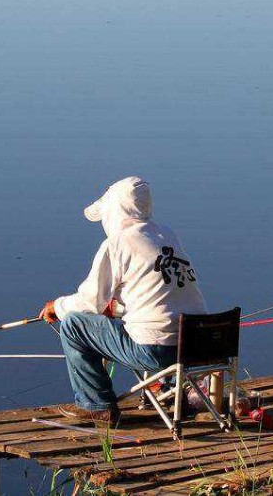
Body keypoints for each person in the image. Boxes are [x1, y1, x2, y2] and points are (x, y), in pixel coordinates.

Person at [39, 176, 207, 423]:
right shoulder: (166, 235)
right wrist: (116, 306)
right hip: (198, 347)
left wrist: (57, 306)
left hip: (157, 351)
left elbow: (90, 303)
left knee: (74, 325)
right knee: (136, 322)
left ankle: (96, 405)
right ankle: (164, 386)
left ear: (115, 212)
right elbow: (156, 294)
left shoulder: (117, 244)